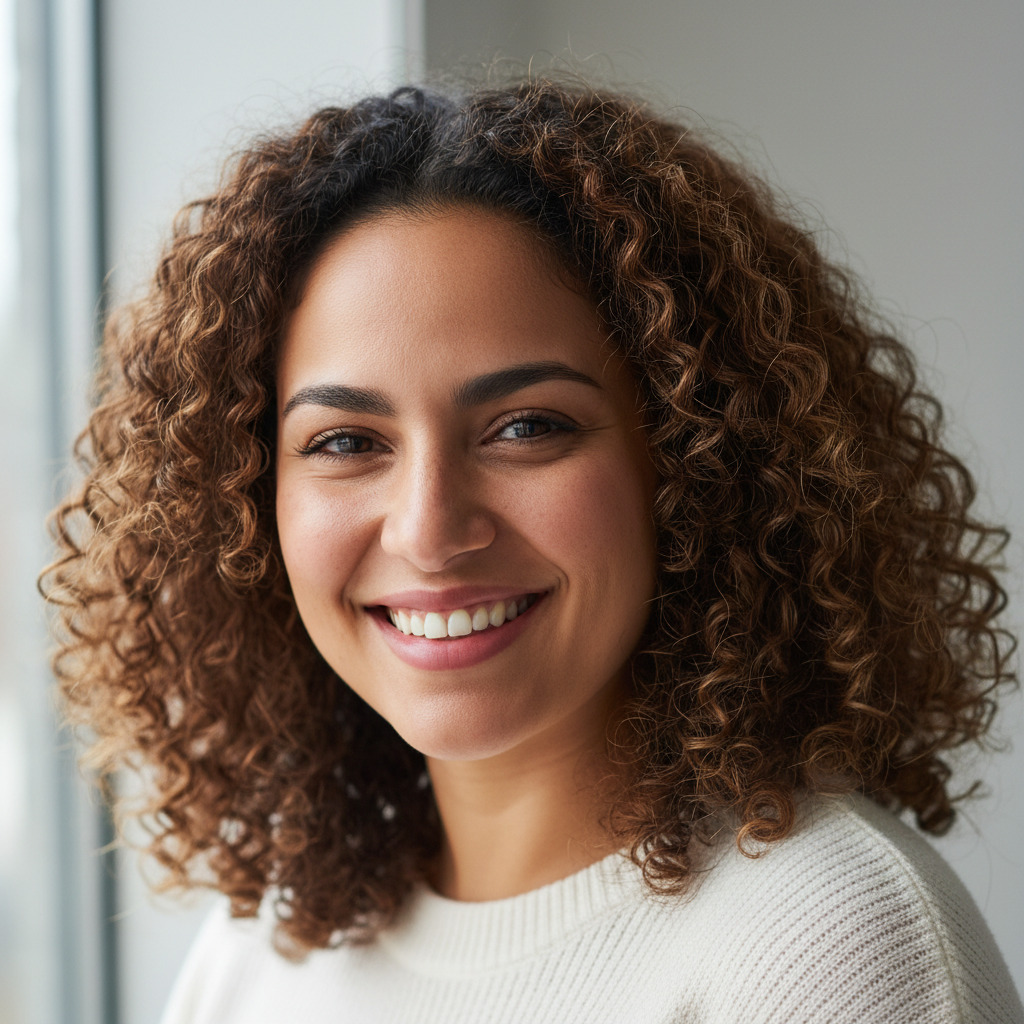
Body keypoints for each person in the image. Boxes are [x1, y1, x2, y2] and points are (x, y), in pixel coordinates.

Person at [43, 79, 1023, 1023]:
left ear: (693, 459)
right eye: (346, 442)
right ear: (250, 504)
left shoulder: (831, 945)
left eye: (526, 428)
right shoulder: (270, 943)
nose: (428, 530)